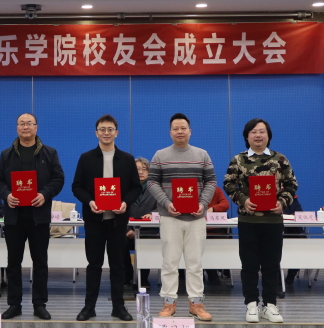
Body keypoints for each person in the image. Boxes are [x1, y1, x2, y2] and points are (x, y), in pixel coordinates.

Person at [223, 118, 298, 323]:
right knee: (249, 265)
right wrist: (243, 200)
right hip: (248, 221)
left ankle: (270, 305)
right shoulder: (238, 160)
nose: (258, 135)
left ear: (268, 135)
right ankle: (251, 304)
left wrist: (282, 202)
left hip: (273, 221)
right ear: (247, 136)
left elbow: (291, 185)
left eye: (262, 131)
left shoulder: (279, 159)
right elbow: (229, 184)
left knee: (271, 264)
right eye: (253, 132)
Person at [0, 113, 65, 320]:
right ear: (17, 127)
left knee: (40, 262)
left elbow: (58, 178)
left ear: (36, 127)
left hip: (38, 216)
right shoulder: (6, 154)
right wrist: (7, 195)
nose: (25, 127)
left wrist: (45, 194)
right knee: (13, 263)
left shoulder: (49, 153)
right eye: (22, 124)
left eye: (29, 123)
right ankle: (14, 304)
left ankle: (39, 304)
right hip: (14, 217)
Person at [72, 114, 140, 321]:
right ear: (96, 133)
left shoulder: (127, 159)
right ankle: (89, 307)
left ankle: (118, 307)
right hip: (94, 221)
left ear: (116, 133)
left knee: (118, 265)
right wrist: (90, 201)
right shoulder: (86, 158)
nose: (106, 133)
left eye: (110, 129)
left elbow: (136, 187)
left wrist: (125, 202)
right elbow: (77, 186)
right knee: (93, 265)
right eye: (102, 129)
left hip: (118, 221)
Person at [148, 113, 216, 321]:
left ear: (190, 131)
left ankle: (196, 303)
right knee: (169, 262)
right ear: (170, 132)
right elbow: (152, 182)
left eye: (183, 128)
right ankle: (169, 303)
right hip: (170, 217)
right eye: (176, 128)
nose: (180, 131)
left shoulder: (202, 154)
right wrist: (166, 203)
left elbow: (211, 182)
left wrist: (202, 204)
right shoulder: (160, 155)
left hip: (196, 218)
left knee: (195, 263)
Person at [124, 157, 158, 290]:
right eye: (137, 169)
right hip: (128, 231)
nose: (140, 172)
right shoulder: (125, 188)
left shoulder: (155, 189)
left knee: (146, 244)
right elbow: (119, 210)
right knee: (119, 243)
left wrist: (153, 214)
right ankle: (127, 275)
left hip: (148, 231)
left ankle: (143, 278)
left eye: (144, 169)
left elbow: (162, 207)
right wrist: (127, 230)